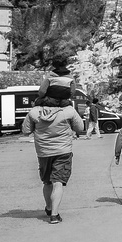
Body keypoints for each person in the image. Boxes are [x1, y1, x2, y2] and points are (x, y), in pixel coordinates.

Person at [25, 77, 85, 224]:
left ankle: (48, 206)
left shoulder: (34, 112)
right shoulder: (68, 111)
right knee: (58, 182)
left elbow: (25, 130)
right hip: (63, 151)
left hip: (43, 152)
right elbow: (81, 128)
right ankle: (54, 214)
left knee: (47, 182)